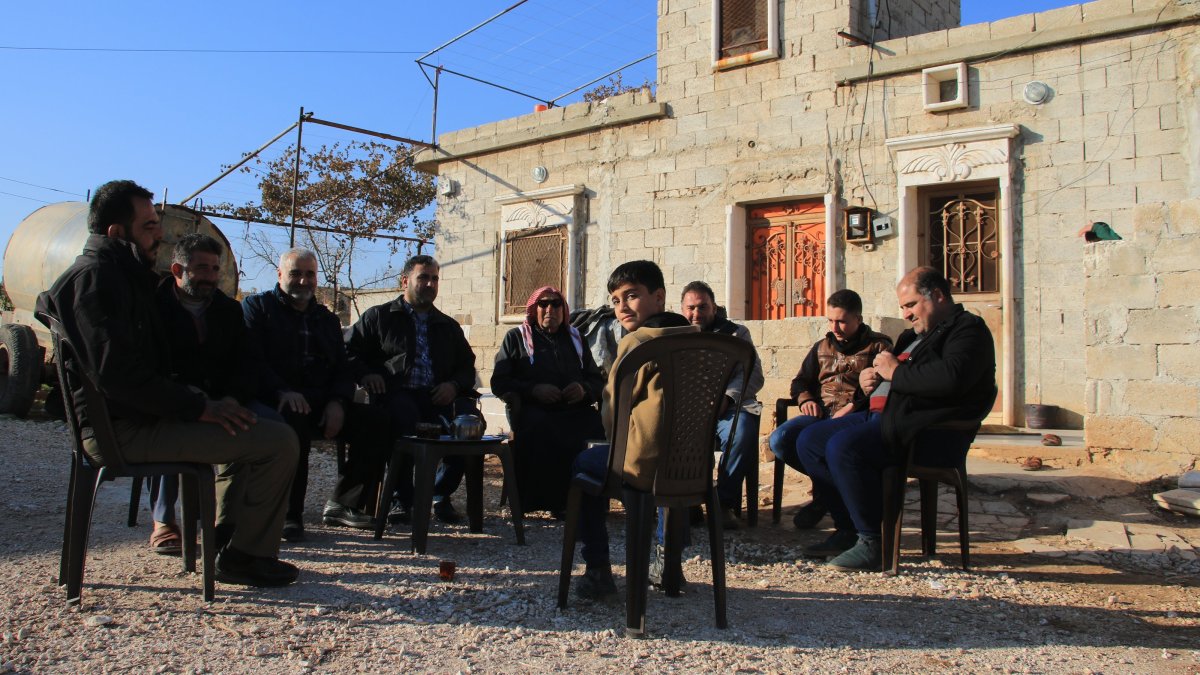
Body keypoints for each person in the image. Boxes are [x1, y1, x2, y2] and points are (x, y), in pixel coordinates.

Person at [36, 180, 300, 587]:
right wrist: (198, 407)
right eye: (148, 226)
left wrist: (201, 398)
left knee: (262, 428)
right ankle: (244, 558)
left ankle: (229, 541)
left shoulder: (118, 277)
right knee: (277, 443)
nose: (159, 234)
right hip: (122, 430)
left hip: (138, 418)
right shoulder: (96, 280)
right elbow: (117, 375)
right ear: (116, 233)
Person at [794, 267, 996, 572]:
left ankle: (874, 540)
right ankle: (848, 529)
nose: (906, 314)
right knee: (810, 441)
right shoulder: (911, 337)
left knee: (843, 447)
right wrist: (868, 386)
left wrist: (895, 372)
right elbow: (888, 377)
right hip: (881, 417)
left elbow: (951, 378)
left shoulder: (968, 330)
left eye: (911, 305)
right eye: (903, 307)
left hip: (924, 430)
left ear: (938, 296)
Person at [569, 260, 699, 600]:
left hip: (642, 464)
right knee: (664, 467)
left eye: (631, 296)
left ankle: (598, 569)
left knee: (585, 463)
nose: (621, 307)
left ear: (658, 297)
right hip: (692, 466)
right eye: (615, 300)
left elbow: (611, 411)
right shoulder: (699, 340)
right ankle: (669, 560)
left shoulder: (638, 343)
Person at [242, 248, 389, 541]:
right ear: (280, 274)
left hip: (321, 400)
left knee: (378, 421)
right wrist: (282, 391)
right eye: (296, 273)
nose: (303, 281)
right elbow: (251, 360)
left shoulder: (325, 319)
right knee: (293, 421)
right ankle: (289, 515)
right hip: (275, 401)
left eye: (310, 274)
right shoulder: (257, 308)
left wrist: (338, 401)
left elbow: (342, 368)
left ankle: (342, 503)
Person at [145, 233, 264, 555]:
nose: (210, 276)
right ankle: (164, 522)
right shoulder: (153, 308)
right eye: (201, 268)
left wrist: (232, 399)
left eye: (214, 268)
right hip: (175, 398)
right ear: (177, 270)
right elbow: (147, 366)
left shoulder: (228, 310)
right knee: (171, 427)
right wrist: (189, 398)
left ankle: (224, 524)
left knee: (261, 427)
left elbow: (246, 363)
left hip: (222, 399)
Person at [346, 254, 478, 526]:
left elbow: (467, 366)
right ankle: (402, 501)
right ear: (405, 281)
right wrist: (368, 374)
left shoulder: (447, 326)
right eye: (424, 277)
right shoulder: (379, 317)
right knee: (403, 421)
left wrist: (453, 386)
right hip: (398, 393)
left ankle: (439, 495)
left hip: (439, 397)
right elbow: (349, 352)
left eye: (434, 279)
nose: (430, 284)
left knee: (469, 426)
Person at [767, 289, 892, 530]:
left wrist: (853, 406)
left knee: (817, 442)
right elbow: (800, 381)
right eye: (831, 320)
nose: (835, 327)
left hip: (857, 416)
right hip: (821, 415)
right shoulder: (821, 347)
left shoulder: (879, 346)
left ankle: (829, 500)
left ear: (858, 319)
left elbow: (881, 388)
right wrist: (805, 400)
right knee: (781, 439)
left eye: (842, 321)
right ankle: (831, 489)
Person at [490, 286, 605, 516]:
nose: (549, 309)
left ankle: (587, 501)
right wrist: (533, 390)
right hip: (534, 409)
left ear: (563, 310)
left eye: (555, 304)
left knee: (594, 427)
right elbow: (500, 381)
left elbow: (597, 379)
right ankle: (544, 502)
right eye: (543, 304)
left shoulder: (576, 339)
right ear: (534, 309)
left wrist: (583, 389)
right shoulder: (516, 338)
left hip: (574, 410)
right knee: (542, 428)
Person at [678, 281, 764, 530]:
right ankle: (688, 501)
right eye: (690, 308)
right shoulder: (676, 336)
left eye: (702, 307)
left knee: (742, 433)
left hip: (730, 410)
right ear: (682, 309)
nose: (696, 313)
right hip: (690, 412)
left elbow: (753, 374)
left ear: (714, 307)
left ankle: (722, 503)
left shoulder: (737, 334)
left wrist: (726, 398)